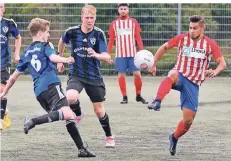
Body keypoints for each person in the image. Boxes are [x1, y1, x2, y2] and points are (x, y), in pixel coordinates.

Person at [0, 18, 95, 157]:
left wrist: (4, 92)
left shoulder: (26, 53)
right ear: (40, 33)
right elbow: (52, 57)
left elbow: (14, 77)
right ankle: (32, 121)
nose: (49, 35)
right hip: (51, 85)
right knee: (69, 114)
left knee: (67, 116)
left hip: (39, 93)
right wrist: (65, 59)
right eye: (47, 32)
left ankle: (81, 149)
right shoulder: (45, 46)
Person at [148, 15, 227, 156]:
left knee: (188, 121)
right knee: (172, 75)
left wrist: (215, 71)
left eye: (195, 28)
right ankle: (157, 101)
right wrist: (153, 63)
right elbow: (164, 47)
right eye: (190, 27)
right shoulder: (182, 38)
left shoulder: (210, 44)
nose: (192, 31)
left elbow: (222, 63)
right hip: (180, 75)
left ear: (203, 28)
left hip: (193, 83)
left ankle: (174, 137)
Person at [57, 5, 115, 148]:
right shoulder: (71, 32)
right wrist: (60, 58)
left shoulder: (98, 34)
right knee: (70, 97)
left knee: (99, 110)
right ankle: (78, 113)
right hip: (76, 74)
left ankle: (109, 136)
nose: (90, 20)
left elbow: (107, 56)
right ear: (81, 17)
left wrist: (96, 55)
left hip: (94, 77)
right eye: (87, 17)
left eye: (92, 18)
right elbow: (62, 41)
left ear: (95, 18)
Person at [108, 3, 148, 104]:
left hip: (132, 53)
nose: (123, 10)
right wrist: (108, 53)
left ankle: (138, 95)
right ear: (118, 11)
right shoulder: (114, 24)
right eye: (121, 9)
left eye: (125, 9)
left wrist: (142, 50)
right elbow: (111, 39)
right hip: (120, 54)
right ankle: (124, 97)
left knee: (137, 74)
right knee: (121, 75)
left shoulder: (133, 22)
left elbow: (138, 37)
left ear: (128, 10)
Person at [0, 3, 21, 130]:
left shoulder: (9, 23)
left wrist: (16, 54)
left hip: (3, 62)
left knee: (2, 91)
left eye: (0, 7)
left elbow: (18, 37)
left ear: (3, 9)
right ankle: (5, 111)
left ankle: (1, 119)